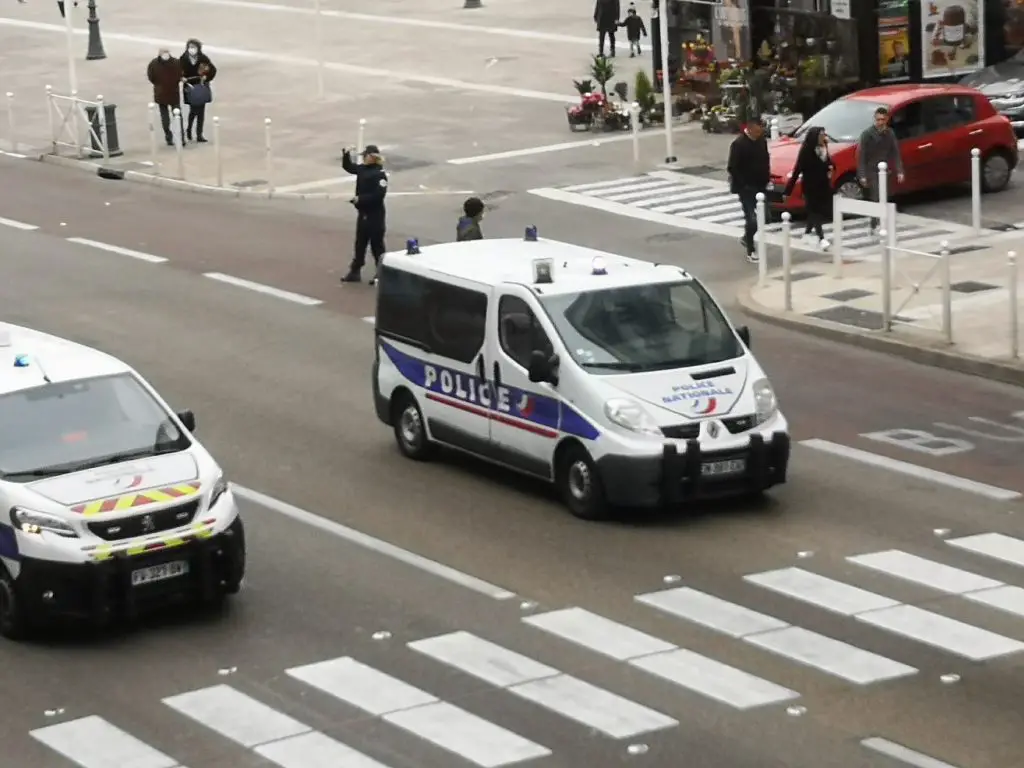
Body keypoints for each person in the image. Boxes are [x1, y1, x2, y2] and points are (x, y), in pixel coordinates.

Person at [340, 145, 389, 285]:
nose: (363, 158)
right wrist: (346, 154)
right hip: (363, 214)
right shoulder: (362, 169)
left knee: (377, 246)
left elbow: (379, 195)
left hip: (375, 216)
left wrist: (360, 199)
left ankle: (381, 273)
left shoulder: (379, 174)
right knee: (360, 244)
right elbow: (349, 167)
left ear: (372, 157)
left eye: (365, 155)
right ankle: (355, 271)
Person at [783, 126, 834, 251]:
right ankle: (821, 238)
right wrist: (788, 190)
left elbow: (829, 163)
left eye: (824, 134)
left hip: (823, 185)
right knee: (814, 211)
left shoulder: (824, 148)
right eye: (821, 135)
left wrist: (831, 167)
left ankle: (806, 234)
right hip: (811, 186)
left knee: (819, 211)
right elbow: (797, 170)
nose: (824, 137)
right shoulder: (806, 151)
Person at [727, 119, 770, 263]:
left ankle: (747, 237)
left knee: (766, 217)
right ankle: (751, 249)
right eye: (758, 130)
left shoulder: (761, 142)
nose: (760, 133)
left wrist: (767, 177)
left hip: (761, 185)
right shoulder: (739, 144)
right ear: (750, 128)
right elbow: (732, 167)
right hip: (746, 188)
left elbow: (766, 160)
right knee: (751, 218)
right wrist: (743, 184)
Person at [857, 106, 904, 233]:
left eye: (883, 119)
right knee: (875, 197)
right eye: (878, 119)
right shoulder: (867, 134)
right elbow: (861, 155)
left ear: (887, 119)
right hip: (872, 170)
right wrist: (862, 175)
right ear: (874, 119)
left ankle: (882, 222)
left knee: (886, 196)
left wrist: (899, 170)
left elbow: (895, 152)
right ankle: (874, 224)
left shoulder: (890, 133)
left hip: (885, 170)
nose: (880, 122)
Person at [179, 38, 217, 143]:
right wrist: (182, 78)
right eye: (190, 47)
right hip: (190, 87)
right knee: (193, 110)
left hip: (201, 87)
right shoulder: (183, 59)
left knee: (201, 112)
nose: (192, 49)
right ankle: (189, 129)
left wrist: (207, 77)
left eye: (194, 47)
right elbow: (178, 71)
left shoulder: (203, 58)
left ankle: (199, 134)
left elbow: (212, 70)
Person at [147, 48, 184, 147]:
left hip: (166, 93)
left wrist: (158, 85)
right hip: (168, 93)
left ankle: (172, 137)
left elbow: (151, 77)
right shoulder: (175, 62)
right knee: (173, 117)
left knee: (170, 117)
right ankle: (178, 137)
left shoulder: (155, 64)